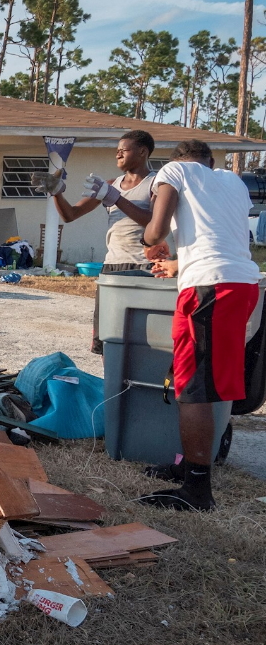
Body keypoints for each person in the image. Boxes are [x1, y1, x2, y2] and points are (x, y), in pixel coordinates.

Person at [139, 139, 262, 511]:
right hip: (238, 283)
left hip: (211, 290)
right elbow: (219, 236)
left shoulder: (173, 171)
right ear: (209, 161)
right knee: (191, 377)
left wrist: (151, 243)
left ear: (179, 160)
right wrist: (179, 264)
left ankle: (197, 490)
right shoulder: (231, 180)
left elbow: (156, 230)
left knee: (195, 387)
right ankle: (188, 466)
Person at [36, 130, 159, 354]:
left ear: (142, 152)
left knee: (141, 337)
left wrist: (117, 199)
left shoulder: (156, 184)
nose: (118, 155)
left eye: (124, 150)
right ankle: (111, 383)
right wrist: (56, 193)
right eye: (117, 152)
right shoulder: (111, 185)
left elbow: (153, 223)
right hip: (113, 267)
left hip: (144, 267)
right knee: (108, 336)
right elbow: (70, 215)